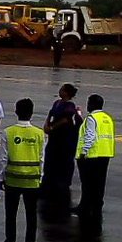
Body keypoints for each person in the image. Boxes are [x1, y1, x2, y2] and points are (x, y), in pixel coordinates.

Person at [0, 98, 46, 242]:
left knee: (11, 215)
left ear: (16, 111)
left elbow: (4, 158)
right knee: (31, 216)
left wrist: (1, 176)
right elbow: (42, 158)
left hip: (13, 179)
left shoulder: (8, 132)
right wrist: (41, 177)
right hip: (32, 180)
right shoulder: (39, 133)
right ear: (32, 113)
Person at [42, 83, 82, 211]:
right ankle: (48, 181)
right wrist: (47, 125)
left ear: (66, 93)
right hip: (53, 137)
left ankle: (63, 182)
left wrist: (53, 127)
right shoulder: (57, 103)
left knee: (63, 159)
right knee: (49, 157)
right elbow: (51, 115)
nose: (59, 91)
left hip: (63, 138)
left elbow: (66, 119)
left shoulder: (70, 106)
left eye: (62, 90)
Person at [76, 93, 115, 222]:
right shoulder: (107, 118)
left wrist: (83, 152)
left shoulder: (92, 118)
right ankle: (97, 204)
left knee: (88, 183)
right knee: (100, 182)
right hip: (105, 154)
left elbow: (90, 136)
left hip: (92, 155)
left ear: (92, 104)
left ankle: (85, 206)